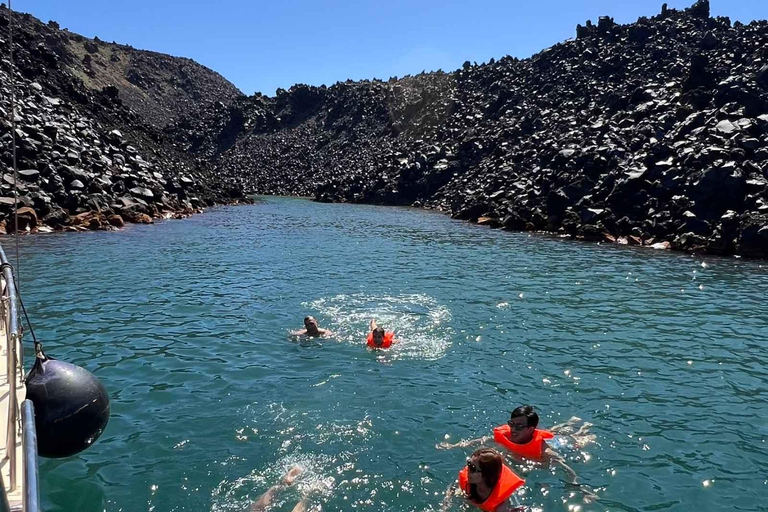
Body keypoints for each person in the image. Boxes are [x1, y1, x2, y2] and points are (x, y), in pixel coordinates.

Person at [437, 405, 598, 502]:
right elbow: (481, 441)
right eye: (512, 424)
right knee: (553, 430)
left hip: (560, 444)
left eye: (519, 426)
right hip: (537, 439)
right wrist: (454, 445)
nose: (513, 429)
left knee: (576, 439)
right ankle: (570, 423)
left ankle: (582, 428)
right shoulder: (506, 435)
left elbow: (566, 468)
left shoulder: (545, 451)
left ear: (530, 429)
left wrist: (580, 489)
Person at [441, 448, 524, 512]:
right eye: (469, 464)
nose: (468, 470)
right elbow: (454, 487)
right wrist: (447, 501)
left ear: (486, 475)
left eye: (473, 469)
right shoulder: (468, 478)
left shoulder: (500, 505)